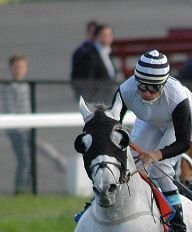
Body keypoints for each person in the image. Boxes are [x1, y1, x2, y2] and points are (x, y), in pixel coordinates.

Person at [112, 50, 192, 232]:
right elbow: (112, 126)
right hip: (150, 120)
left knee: (161, 170)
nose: (146, 93)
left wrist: (156, 154)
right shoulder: (125, 90)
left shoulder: (177, 98)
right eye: (142, 86)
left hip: (177, 124)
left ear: (164, 84)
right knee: (133, 162)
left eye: (153, 88)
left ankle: (179, 227)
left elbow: (183, 142)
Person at [1, 54, 67, 194]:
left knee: (36, 154)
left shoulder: (26, 85)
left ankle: (28, 187)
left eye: (22, 67)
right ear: (11, 69)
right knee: (24, 159)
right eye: (16, 67)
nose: (19, 70)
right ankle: (19, 190)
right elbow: (10, 109)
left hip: (27, 128)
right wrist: (18, 125)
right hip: (16, 130)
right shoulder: (8, 87)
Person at [71, 23, 119, 102]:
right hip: (97, 99)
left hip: (108, 96)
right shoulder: (90, 55)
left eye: (110, 35)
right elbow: (88, 79)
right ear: (97, 36)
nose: (107, 38)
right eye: (104, 35)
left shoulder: (107, 52)